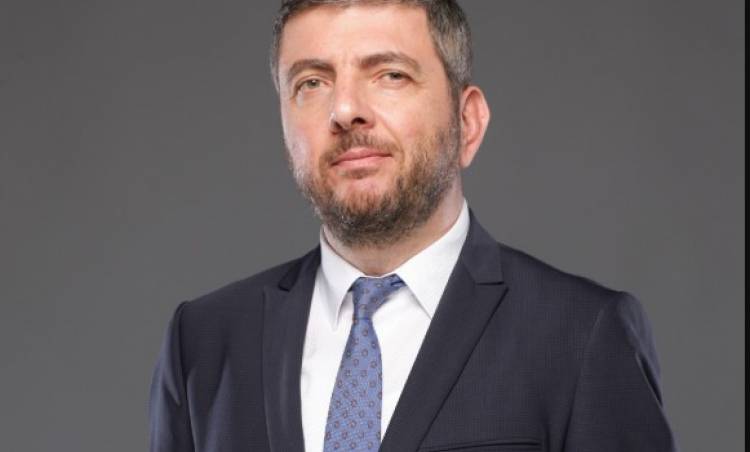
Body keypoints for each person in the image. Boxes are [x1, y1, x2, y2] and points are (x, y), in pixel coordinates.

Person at [149, 1, 678, 451]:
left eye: (390, 75)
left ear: (467, 123)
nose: (345, 109)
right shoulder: (203, 342)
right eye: (312, 82)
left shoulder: (581, 336)